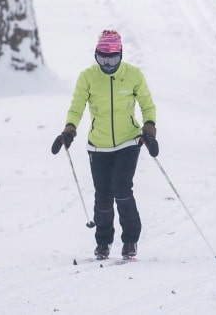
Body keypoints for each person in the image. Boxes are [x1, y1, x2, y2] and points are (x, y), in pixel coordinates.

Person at [50, 30, 157, 260]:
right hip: (98, 146)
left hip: (129, 141)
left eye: (113, 58)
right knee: (103, 196)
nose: (107, 64)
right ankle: (103, 242)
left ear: (120, 54)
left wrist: (149, 130)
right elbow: (77, 106)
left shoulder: (133, 75)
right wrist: (69, 130)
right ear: (96, 55)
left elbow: (148, 105)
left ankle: (130, 240)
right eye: (102, 58)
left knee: (122, 188)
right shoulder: (88, 77)